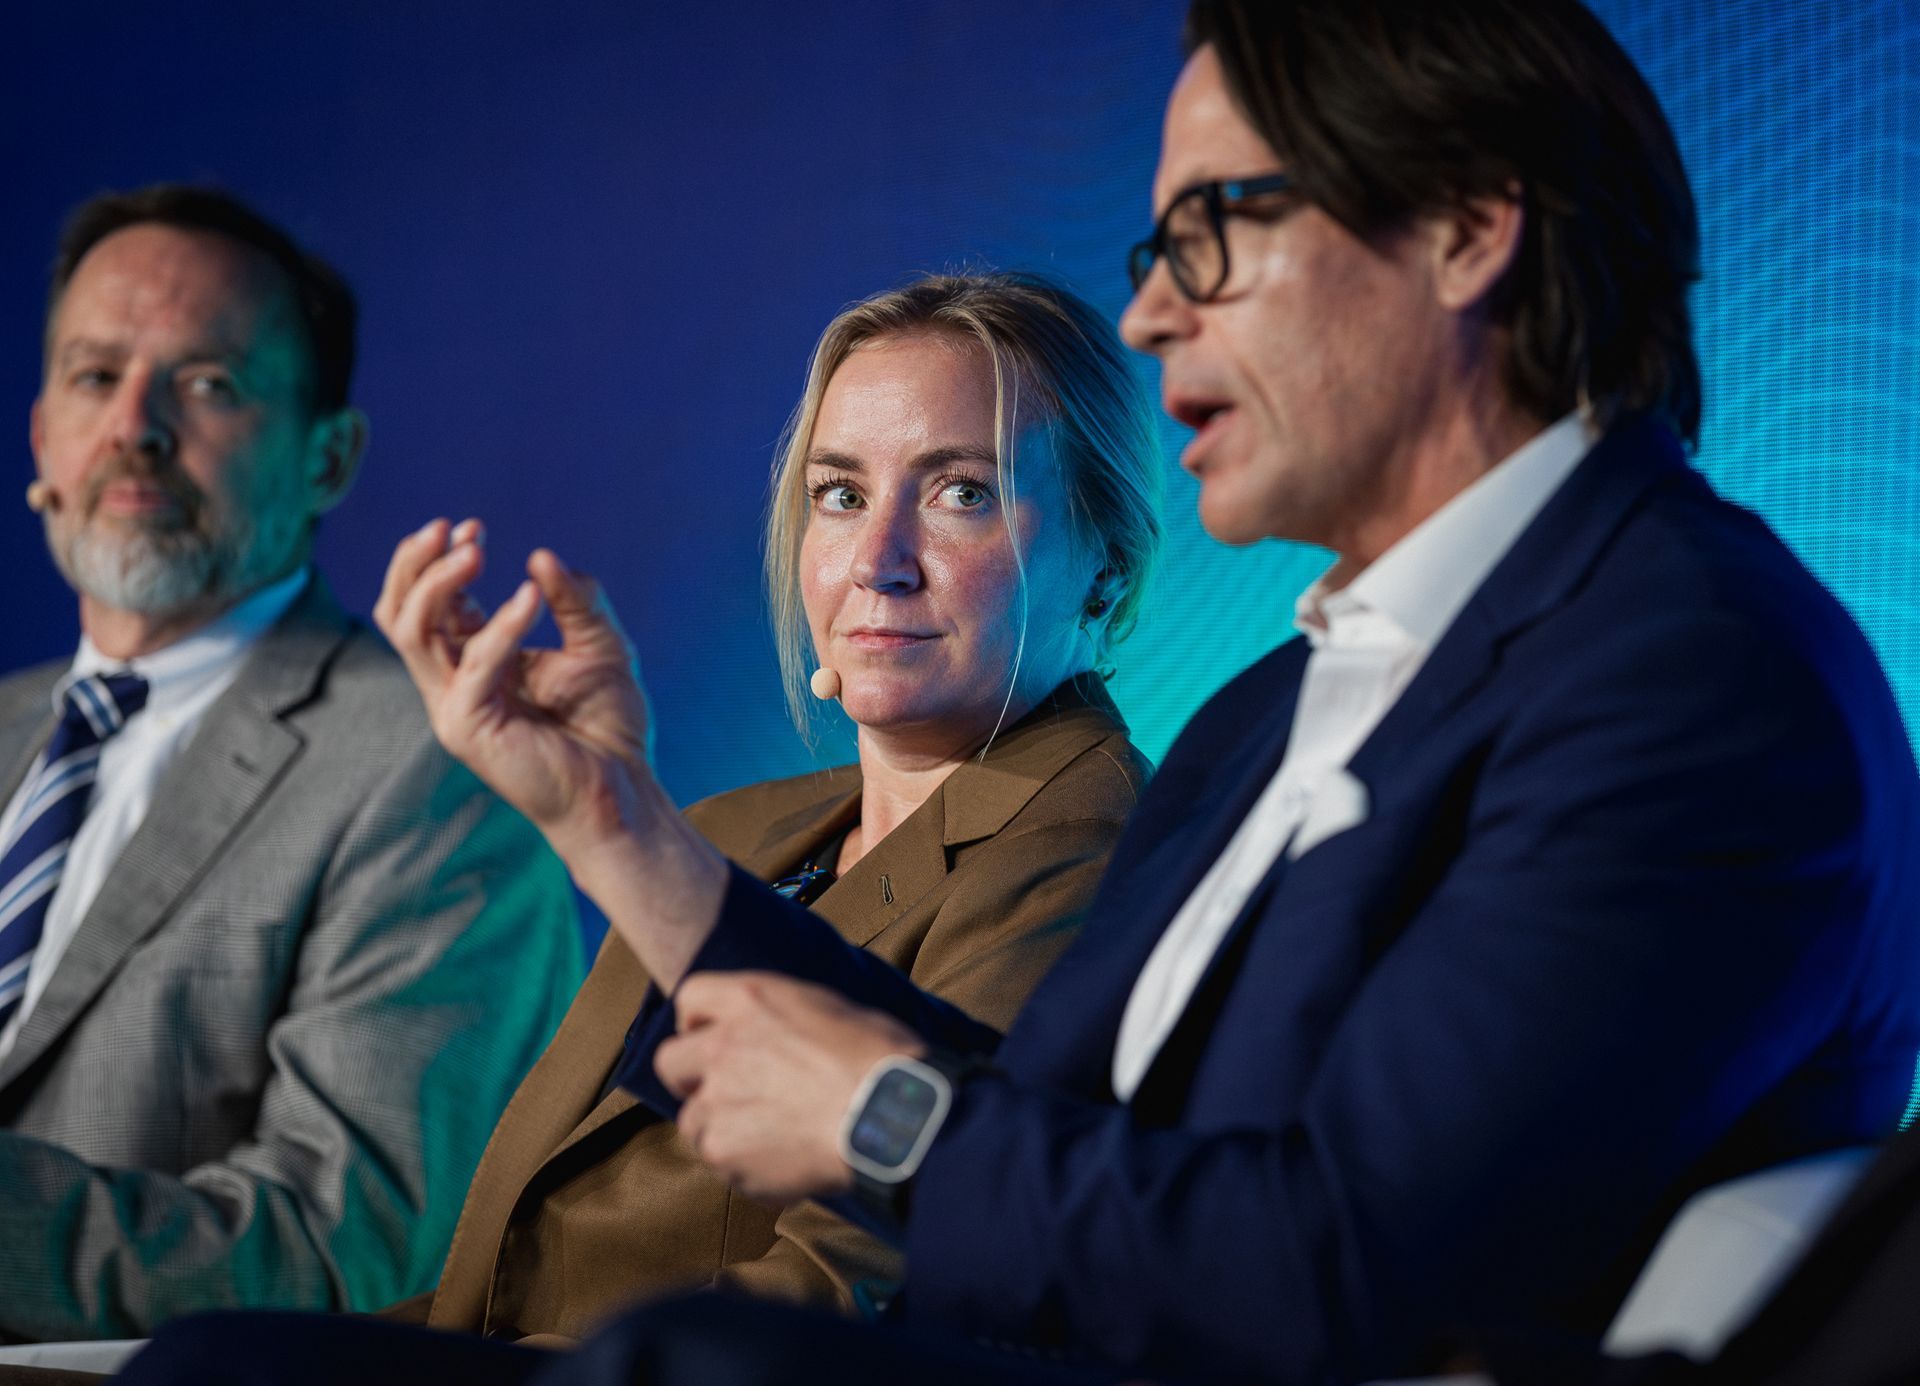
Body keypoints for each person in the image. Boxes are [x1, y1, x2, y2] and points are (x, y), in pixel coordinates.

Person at [111, 0, 1920, 1382]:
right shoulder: (1276, 709)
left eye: (1220, 228)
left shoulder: (1694, 679)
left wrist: (887, 1119)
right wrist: (605, 815)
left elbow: (1359, 1262)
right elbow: (1045, 1113)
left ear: (1467, 229)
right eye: (1156, 252)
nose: (1152, 317)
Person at [358, 272, 1160, 1342]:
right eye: (841, 494)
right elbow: (504, 1273)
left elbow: (857, 1306)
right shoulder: (729, 830)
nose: (877, 562)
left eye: (961, 492)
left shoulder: (1090, 855)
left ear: (1106, 563)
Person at [0, 185, 581, 1343]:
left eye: (209, 384)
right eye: (94, 376)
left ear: (330, 457)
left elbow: (348, 1254)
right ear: (41, 439)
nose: (135, 427)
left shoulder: (444, 770)